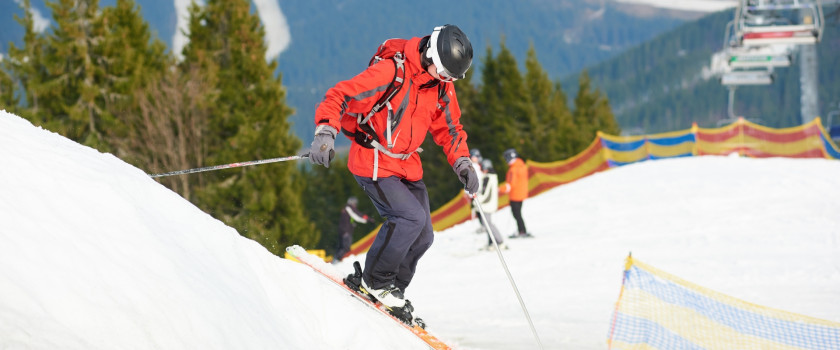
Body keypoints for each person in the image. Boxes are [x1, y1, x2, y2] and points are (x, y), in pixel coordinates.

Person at [308, 25, 478, 315]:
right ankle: (377, 281)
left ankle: (391, 288)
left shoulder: (440, 85)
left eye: (453, 77)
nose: (448, 81)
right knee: (408, 218)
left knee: (424, 234)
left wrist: (462, 161)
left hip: (406, 164)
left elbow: (449, 128)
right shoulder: (391, 73)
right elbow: (341, 95)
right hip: (373, 160)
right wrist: (326, 130)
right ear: (430, 57)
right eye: (445, 74)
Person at [473, 157, 507, 250]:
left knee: (488, 224)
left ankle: (499, 241)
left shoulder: (487, 177)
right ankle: (492, 242)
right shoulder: (492, 177)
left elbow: (485, 193)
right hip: (489, 203)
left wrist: (476, 201)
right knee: (487, 224)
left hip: (486, 204)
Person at [502, 148, 532, 238]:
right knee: (518, 214)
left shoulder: (513, 169)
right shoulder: (522, 166)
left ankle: (522, 231)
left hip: (515, 195)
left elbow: (512, 184)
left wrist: (500, 189)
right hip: (521, 194)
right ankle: (521, 230)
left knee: (517, 214)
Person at [333, 197, 372, 264]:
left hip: (343, 230)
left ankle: (335, 260)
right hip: (346, 231)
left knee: (341, 246)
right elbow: (356, 215)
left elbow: (352, 218)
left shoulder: (347, 208)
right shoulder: (348, 208)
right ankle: (336, 261)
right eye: (355, 203)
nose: (355, 205)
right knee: (346, 247)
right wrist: (367, 219)